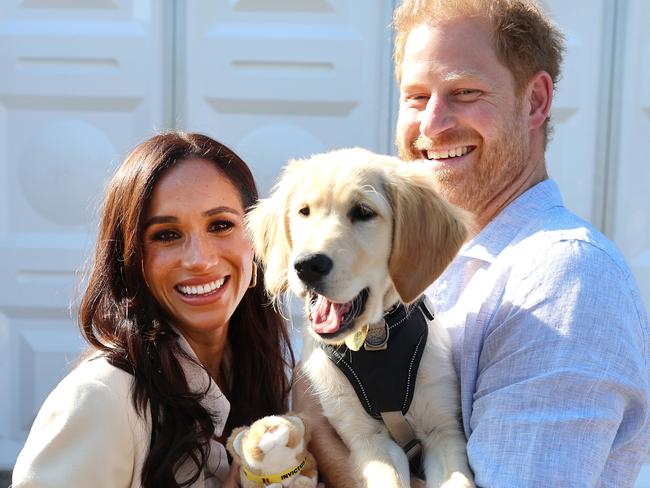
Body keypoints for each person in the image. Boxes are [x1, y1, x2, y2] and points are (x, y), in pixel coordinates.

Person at [295, 0, 650, 486]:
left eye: (465, 92)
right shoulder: (420, 254)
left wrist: (319, 436)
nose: (432, 125)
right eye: (417, 97)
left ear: (535, 102)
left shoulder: (564, 277)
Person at [12, 132, 295, 487]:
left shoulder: (269, 378)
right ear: (131, 260)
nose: (200, 259)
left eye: (221, 225)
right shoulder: (100, 398)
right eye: (166, 234)